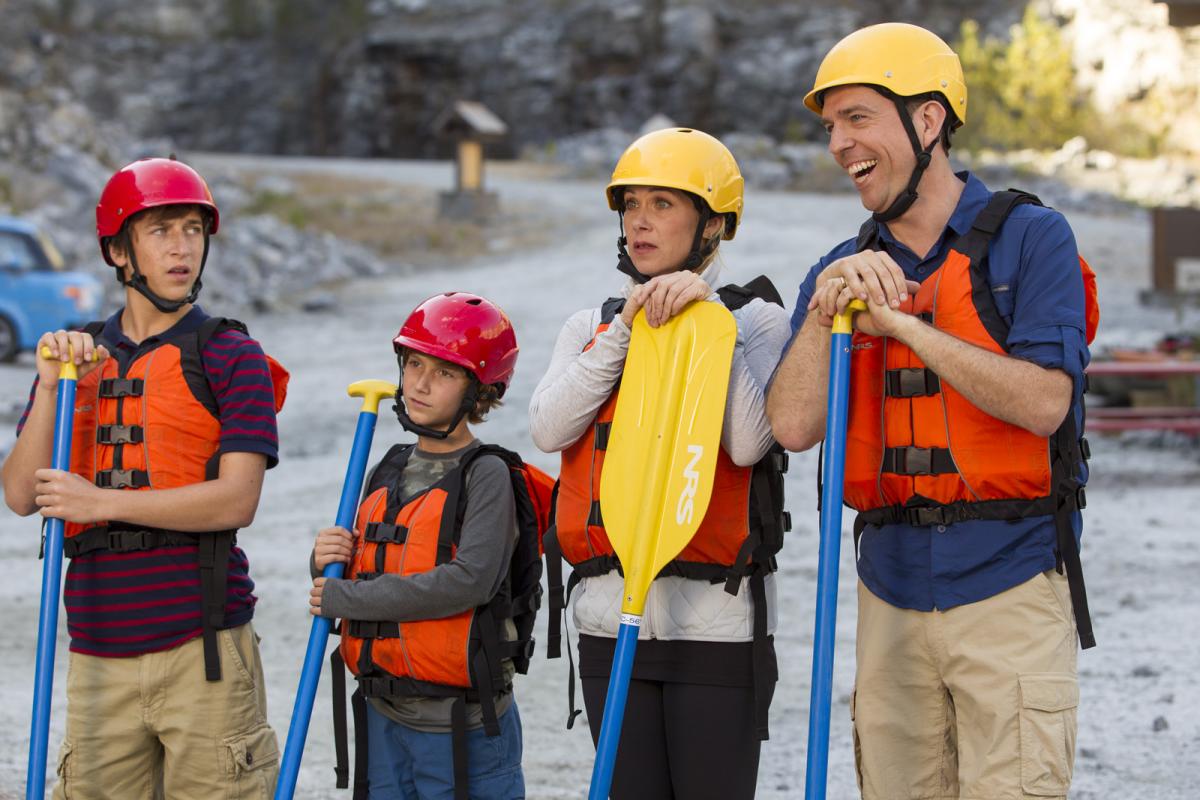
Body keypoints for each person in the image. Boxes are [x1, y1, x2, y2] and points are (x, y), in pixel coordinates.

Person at [766, 23, 1096, 800]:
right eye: (830, 128)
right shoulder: (837, 270)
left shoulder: (1031, 238)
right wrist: (825, 312)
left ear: (926, 120)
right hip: (890, 592)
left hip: (1011, 583)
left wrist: (907, 326)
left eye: (857, 118)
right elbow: (791, 426)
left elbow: (1047, 402)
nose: (840, 144)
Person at [1, 156, 287, 798]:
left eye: (193, 229)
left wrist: (99, 501)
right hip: (97, 648)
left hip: (204, 647)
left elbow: (237, 499)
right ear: (119, 251)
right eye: (161, 230)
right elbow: (20, 494)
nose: (182, 246)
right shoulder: (74, 358)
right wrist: (50, 386)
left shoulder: (230, 354)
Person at [530, 127, 792, 799]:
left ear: (713, 225)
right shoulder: (591, 324)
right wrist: (626, 331)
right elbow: (548, 426)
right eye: (631, 204)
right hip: (605, 616)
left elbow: (747, 442)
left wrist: (710, 327)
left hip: (717, 623)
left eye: (663, 204)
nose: (640, 220)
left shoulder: (754, 319)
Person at [311, 292, 550, 800]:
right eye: (414, 363)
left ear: (479, 392)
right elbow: (366, 569)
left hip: (461, 726)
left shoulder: (487, 474)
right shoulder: (388, 466)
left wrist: (345, 599)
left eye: (443, 373)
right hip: (382, 714)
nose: (419, 383)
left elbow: (469, 581)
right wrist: (326, 560)